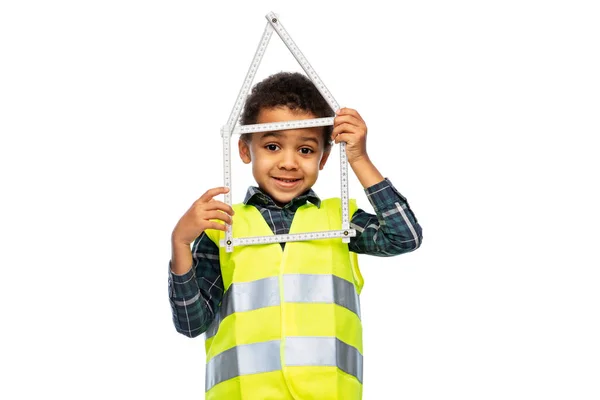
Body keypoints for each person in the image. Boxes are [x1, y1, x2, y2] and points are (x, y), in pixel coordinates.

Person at [168, 72, 423, 400]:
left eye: (305, 149)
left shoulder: (338, 219)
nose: (288, 163)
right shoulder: (223, 228)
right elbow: (191, 324)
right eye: (272, 146)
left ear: (324, 158)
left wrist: (358, 158)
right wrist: (180, 244)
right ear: (245, 150)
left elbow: (404, 237)